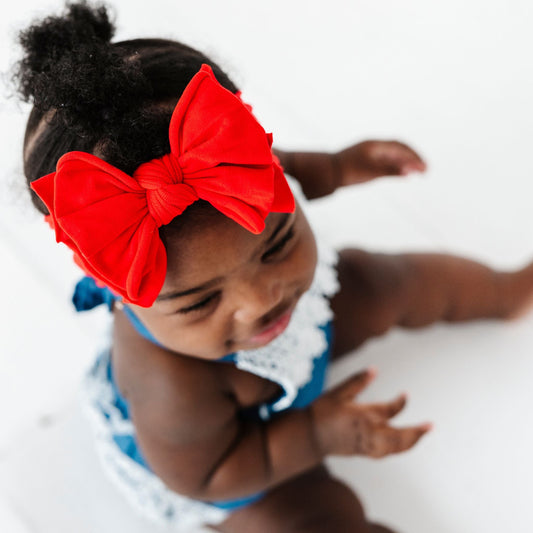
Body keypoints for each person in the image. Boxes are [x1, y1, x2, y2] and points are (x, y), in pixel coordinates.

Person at [14, 3, 533, 532]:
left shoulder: (233, 165)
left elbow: (289, 166)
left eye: (277, 245)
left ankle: (508, 291)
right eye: (200, 300)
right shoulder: (168, 387)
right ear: (120, 290)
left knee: (388, 282)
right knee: (308, 518)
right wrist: (315, 435)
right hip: (237, 454)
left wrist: (339, 166)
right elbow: (209, 476)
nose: (262, 299)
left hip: (297, 348)